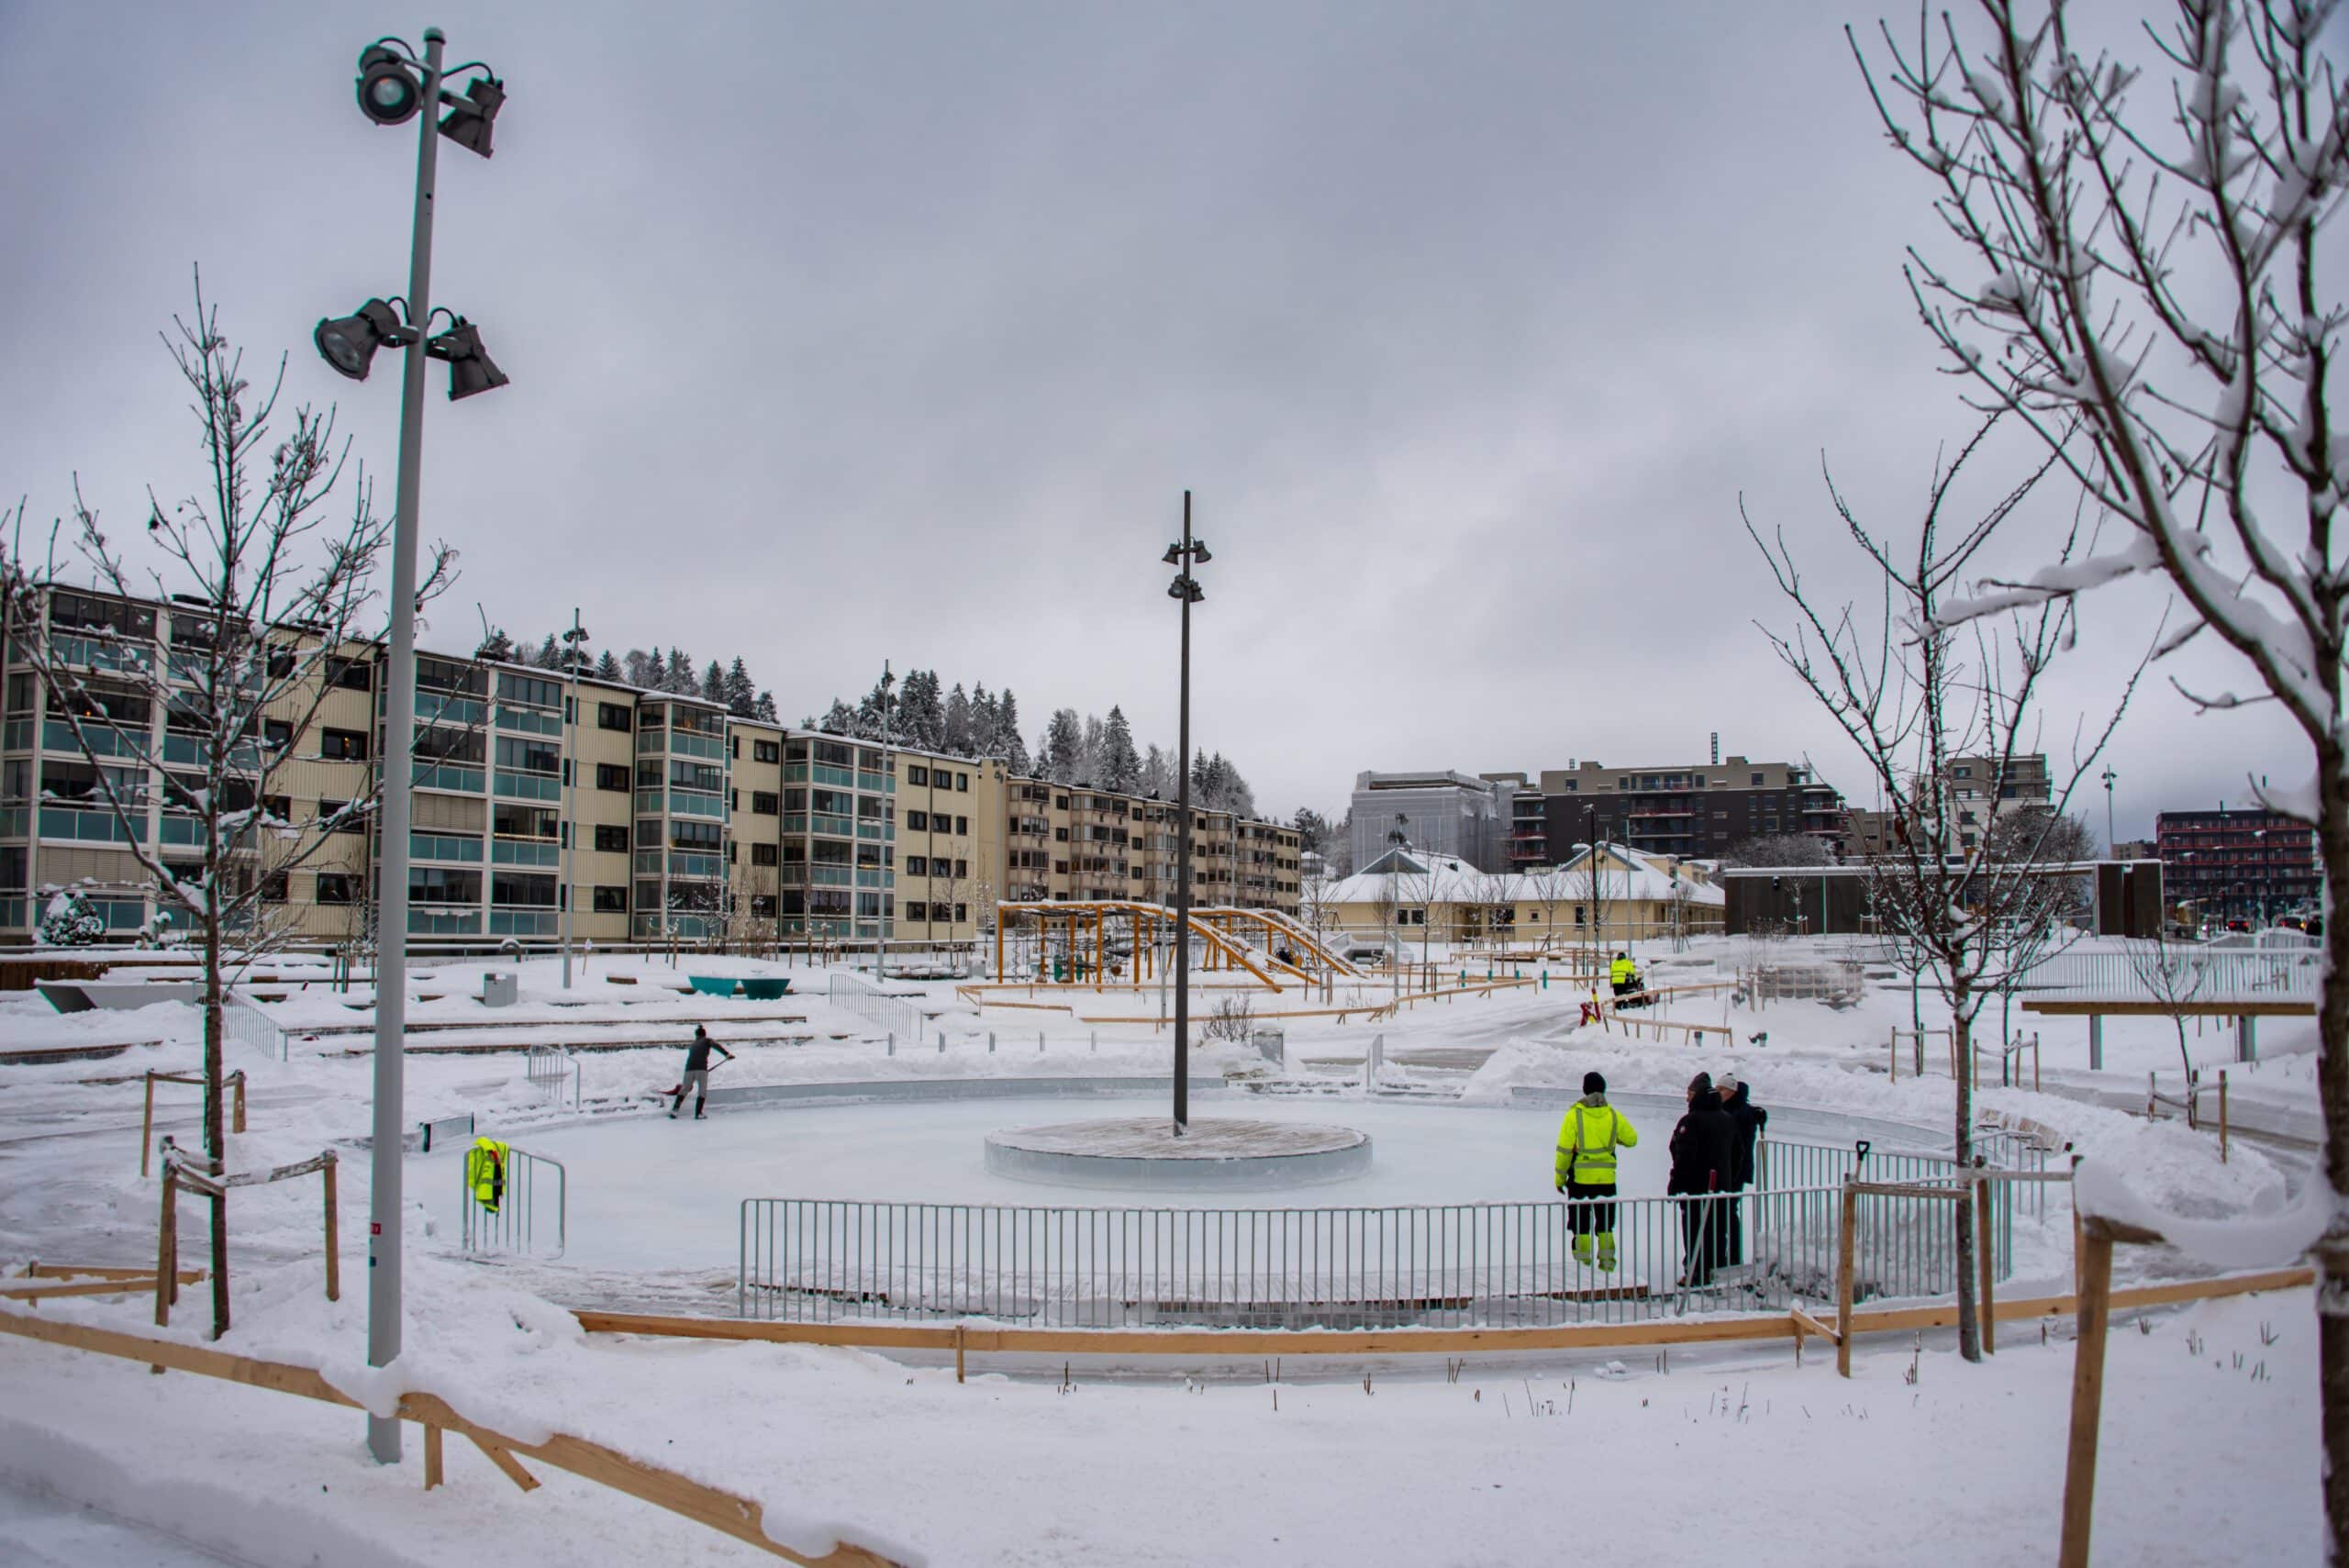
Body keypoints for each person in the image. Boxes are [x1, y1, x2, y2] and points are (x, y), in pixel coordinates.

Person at [1553, 1070, 1638, 1271]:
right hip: (1607, 1179)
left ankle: (1583, 1265)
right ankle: (1608, 1264)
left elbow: (1564, 1150)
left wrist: (1559, 1177)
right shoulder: (1613, 1115)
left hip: (1580, 1180)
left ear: (1584, 1090)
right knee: (1606, 1224)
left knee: (1580, 1224)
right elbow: (1632, 1139)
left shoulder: (1574, 1115)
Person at [1666, 1072, 1734, 1287]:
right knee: (1716, 1230)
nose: (1687, 1098)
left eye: (1690, 1093)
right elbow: (1738, 1153)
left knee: (1695, 1231)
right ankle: (1716, 1271)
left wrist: (1675, 1184)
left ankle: (1696, 1273)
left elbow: (1683, 1156)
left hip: (1696, 1188)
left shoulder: (1692, 1121)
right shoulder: (1727, 1119)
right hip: (1721, 1187)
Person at [1716, 1073, 1768, 1265]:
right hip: (1728, 1169)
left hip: (1735, 1170)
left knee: (1727, 1211)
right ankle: (1724, 1255)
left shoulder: (1739, 1111)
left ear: (1731, 1091)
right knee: (1723, 1212)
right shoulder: (1727, 1108)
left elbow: (1747, 1116)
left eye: (1722, 1089)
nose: (1718, 1092)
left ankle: (1732, 1256)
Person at [670, 1025, 734, 1120]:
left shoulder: (693, 1044)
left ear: (696, 1035)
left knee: (684, 1089)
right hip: (701, 1069)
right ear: (704, 1034)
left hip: (689, 1069)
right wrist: (727, 1054)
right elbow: (716, 1046)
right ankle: (698, 1113)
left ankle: (675, 1110)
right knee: (702, 1091)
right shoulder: (707, 1040)